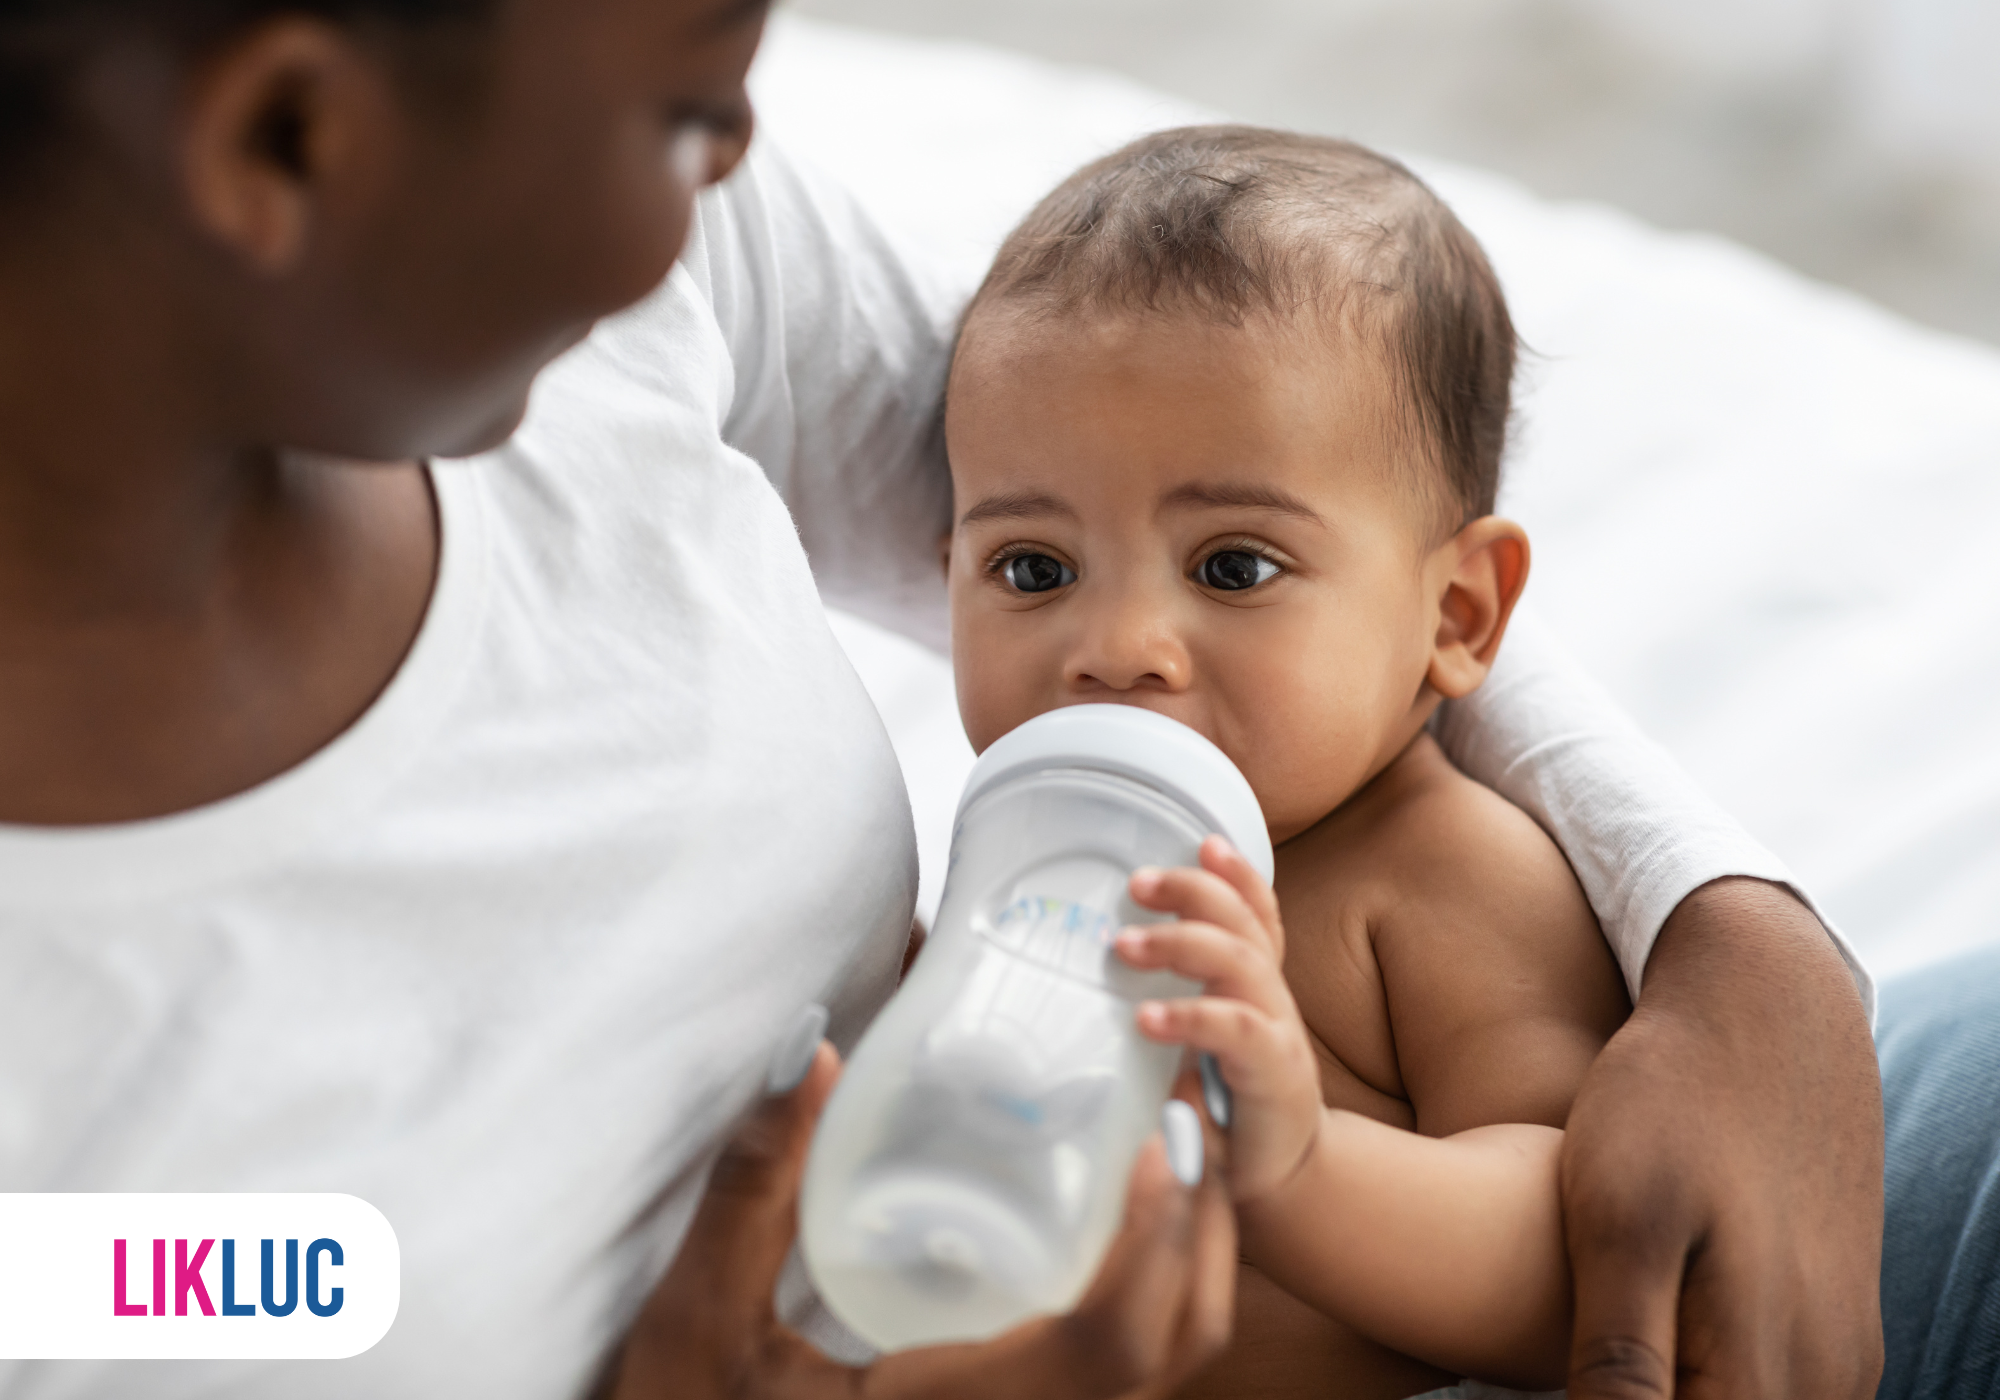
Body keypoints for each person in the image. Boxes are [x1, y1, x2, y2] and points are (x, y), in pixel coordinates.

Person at [0, 1, 1892, 1397]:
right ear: (289, 145)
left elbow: (1265, 459)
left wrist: (1733, 929)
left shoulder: (587, 313)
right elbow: (172, 1286)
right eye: (682, 122)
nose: (735, 173)